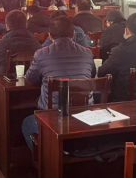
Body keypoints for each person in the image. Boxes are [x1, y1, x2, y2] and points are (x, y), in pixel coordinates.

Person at [21, 16, 95, 150]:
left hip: (54, 117)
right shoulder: (88, 53)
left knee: (27, 123)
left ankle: (46, 158)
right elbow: (92, 75)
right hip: (85, 115)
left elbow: (30, 79)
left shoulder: (41, 54)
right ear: (73, 34)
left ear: (50, 36)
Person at [0, 10, 42, 105]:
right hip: (33, 93)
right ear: (26, 25)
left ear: (7, 26)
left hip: (6, 95)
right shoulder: (37, 44)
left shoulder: (0, 46)